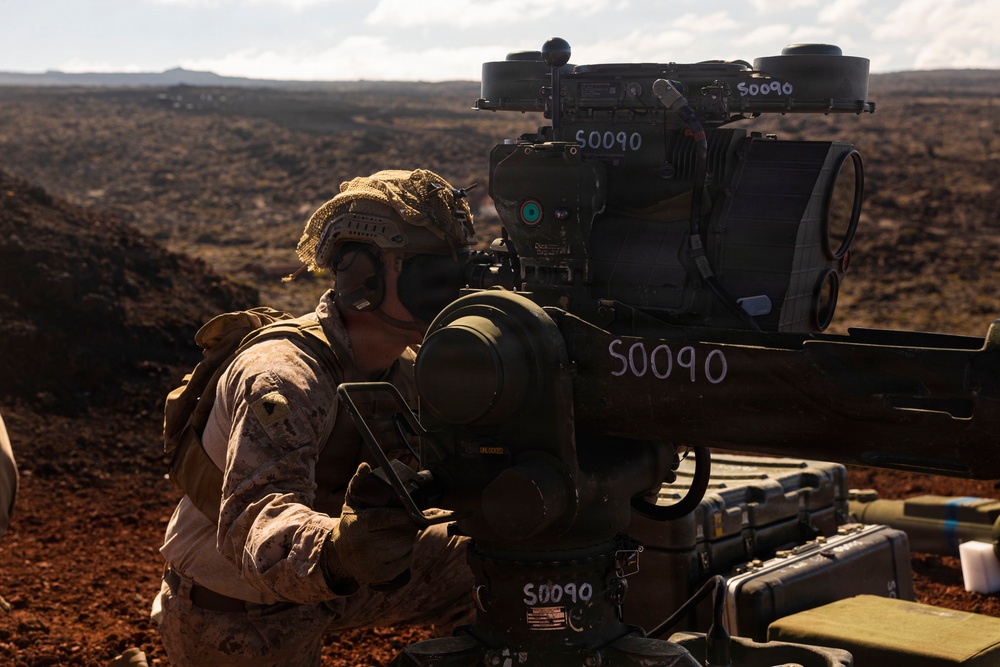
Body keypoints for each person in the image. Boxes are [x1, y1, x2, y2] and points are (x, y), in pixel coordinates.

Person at [153, 169, 478, 666]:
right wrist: (343, 551)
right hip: (239, 611)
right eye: (431, 271)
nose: (452, 288)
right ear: (363, 277)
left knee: (488, 561)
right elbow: (256, 526)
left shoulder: (409, 371)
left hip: (332, 582)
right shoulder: (283, 378)